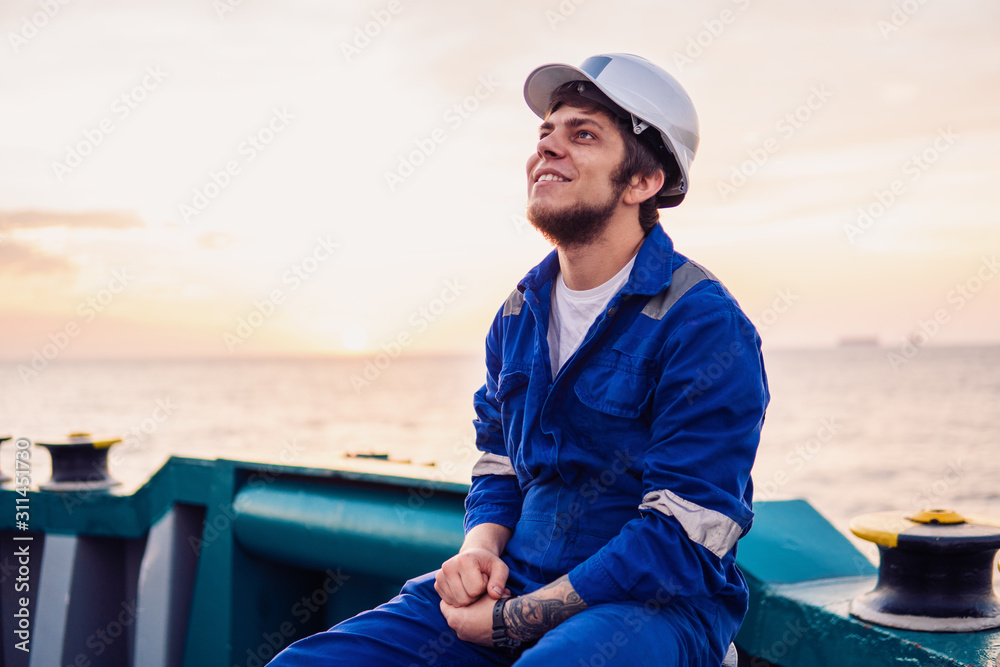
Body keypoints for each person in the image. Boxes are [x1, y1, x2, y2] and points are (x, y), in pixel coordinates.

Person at [270, 53, 768, 667]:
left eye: (582, 134)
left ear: (643, 182)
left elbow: (684, 537)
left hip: (653, 611)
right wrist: (480, 549)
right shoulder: (518, 314)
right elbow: (498, 461)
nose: (547, 149)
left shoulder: (703, 323)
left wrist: (515, 621)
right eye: (545, 133)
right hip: (518, 580)